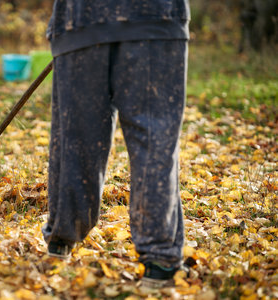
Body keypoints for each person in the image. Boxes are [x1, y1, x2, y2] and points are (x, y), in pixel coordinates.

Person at [42, 0, 191, 288]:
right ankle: (159, 261)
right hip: (155, 17)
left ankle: (61, 238)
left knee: (75, 136)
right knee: (154, 136)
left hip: (82, 18)